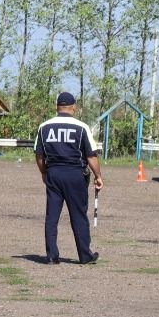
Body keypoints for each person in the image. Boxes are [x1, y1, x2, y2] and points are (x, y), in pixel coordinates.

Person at [34, 91, 103, 265]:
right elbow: (91, 156)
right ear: (74, 107)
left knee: (52, 216)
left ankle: (51, 255)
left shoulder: (44, 127)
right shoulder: (81, 127)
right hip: (75, 174)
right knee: (78, 215)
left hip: (54, 173)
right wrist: (98, 175)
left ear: (57, 107)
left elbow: (39, 155)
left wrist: (44, 172)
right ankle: (85, 255)